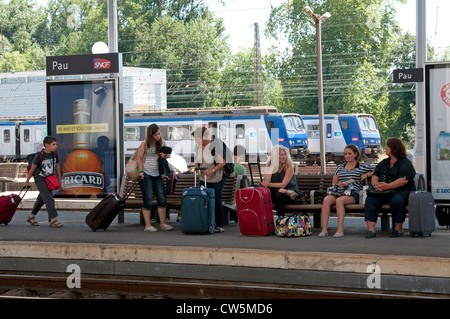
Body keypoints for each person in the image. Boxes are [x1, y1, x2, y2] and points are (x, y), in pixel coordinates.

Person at [318, 144, 374, 238]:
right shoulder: (339, 168)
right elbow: (334, 183)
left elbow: (378, 169)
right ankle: (324, 229)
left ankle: (340, 229)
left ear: (355, 154)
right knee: (327, 199)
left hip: (354, 193)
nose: (347, 156)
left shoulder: (362, 166)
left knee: (339, 201)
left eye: (349, 154)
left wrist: (367, 175)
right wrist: (339, 185)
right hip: (339, 191)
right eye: (345, 154)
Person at [364, 137, 416, 238]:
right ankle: (371, 230)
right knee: (371, 200)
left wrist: (387, 186)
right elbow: (375, 175)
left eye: (387, 146)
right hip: (383, 191)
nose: (385, 148)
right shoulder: (384, 162)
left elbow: (403, 180)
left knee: (396, 201)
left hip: (401, 190)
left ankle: (398, 228)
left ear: (394, 148)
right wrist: (376, 185)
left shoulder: (405, 163)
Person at [137, 124, 173, 232]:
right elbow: (139, 158)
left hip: (157, 174)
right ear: (151, 135)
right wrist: (141, 171)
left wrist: (164, 155)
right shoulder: (144, 144)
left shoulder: (162, 142)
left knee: (162, 199)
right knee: (148, 200)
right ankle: (147, 225)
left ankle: (162, 223)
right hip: (147, 174)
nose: (158, 136)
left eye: (159, 134)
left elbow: (169, 155)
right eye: (155, 134)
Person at [192, 127, 227, 233]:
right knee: (203, 199)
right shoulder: (198, 147)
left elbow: (223, 162)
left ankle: (219, 224)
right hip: (204, 177)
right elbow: (197, 161)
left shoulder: (214, 145)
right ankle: (205, 222)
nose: (195, 140)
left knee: (216, 199)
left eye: (197, 138)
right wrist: (196, 169)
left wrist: (212, 170)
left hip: (216, 178)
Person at [24, 136, 63, 228]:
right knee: (49, 198)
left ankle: (31, 217)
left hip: (49, 179)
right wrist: (27, 181)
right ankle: (53, 220)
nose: (55, 146)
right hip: (40, 179)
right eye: (53, 144)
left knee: (41, 199)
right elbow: (32, 169)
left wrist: (60, 178)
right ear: (47, 145)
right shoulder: (39, 156)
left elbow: (57, 166)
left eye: (56, 144)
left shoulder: (54, 154)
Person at [261, 145, 300, 217]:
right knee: (264, 195)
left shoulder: (289, 166)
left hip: (290, 194)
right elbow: (265, 182)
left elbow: (283, 185)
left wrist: (268, 184)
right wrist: (272, 166)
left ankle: (281, 219)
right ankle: (263, 221)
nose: (284, 157)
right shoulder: (270, 166)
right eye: (281, 155)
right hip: (277, 191)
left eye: (285, 155)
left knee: (278, 195)